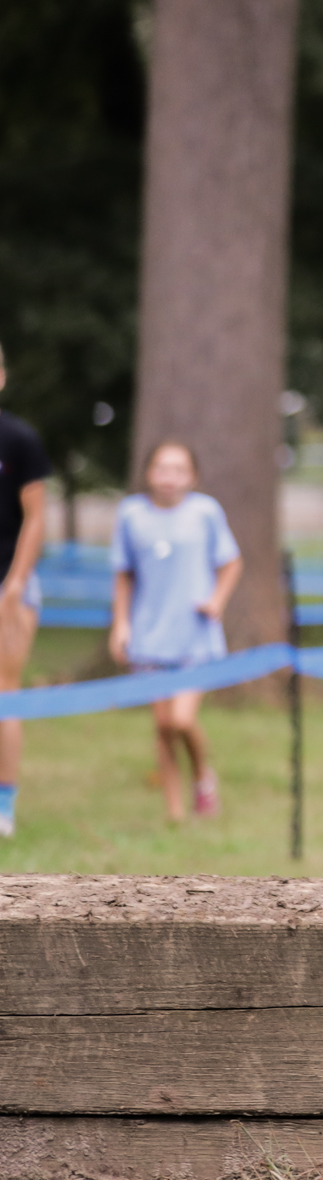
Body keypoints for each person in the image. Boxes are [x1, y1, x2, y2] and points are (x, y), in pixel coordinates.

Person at [109, 441, 243, 824]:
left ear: (193, 477)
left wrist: (216, 601)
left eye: (179, 469)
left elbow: (231, 563)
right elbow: (123, 574)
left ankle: (202, 777)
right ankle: (174, 811)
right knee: (163, 726)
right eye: (162, 468)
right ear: (148, 473)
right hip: (150, 636)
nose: (169, 477)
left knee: (181, 720)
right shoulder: (131, 514)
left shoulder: (205, 512)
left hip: (194, 635)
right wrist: (121, 624)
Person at [0, 344, 49, 840]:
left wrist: (14, 585)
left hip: (8, 583)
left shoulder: (18, 439)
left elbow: (36, 518)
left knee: (3, 694)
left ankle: (4, 805)